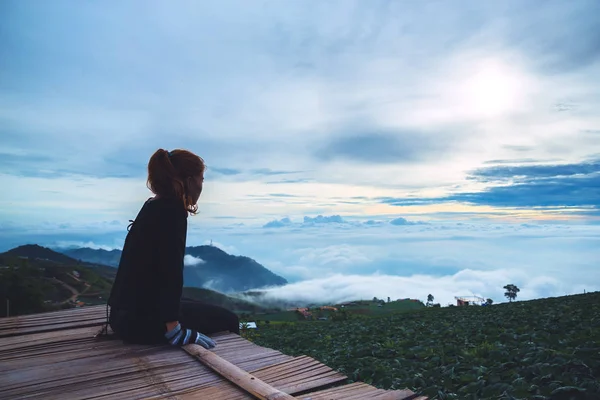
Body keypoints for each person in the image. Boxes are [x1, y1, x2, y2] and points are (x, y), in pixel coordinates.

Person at [106, 148, 240, 348]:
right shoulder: (172, 213)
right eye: (201, 179)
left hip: (122, 316)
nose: (202, 185)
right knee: (230, 320)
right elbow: (170, 272)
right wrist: (173, 329)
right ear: (189, 180)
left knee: (200, 305)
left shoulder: (153, 205)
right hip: (139, 324)